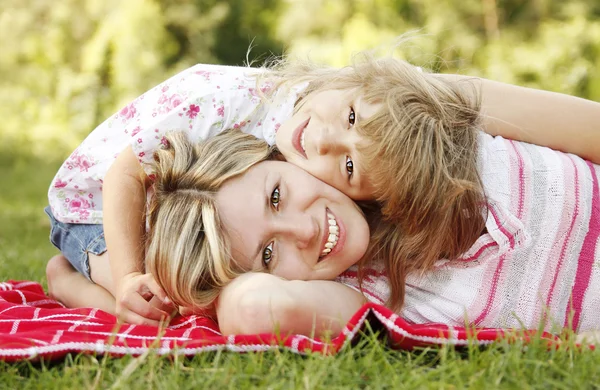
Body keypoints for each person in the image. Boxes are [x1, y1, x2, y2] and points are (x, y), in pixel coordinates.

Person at [45, 50, 600, 326]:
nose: (306, 229)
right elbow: (125, 172)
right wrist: (130, 276)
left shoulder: (388, 118)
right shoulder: (214, 101)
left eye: (279, 195)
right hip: (88, 205)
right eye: (268, 252)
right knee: (159, 301)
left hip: (191, 190)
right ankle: (72, 284)